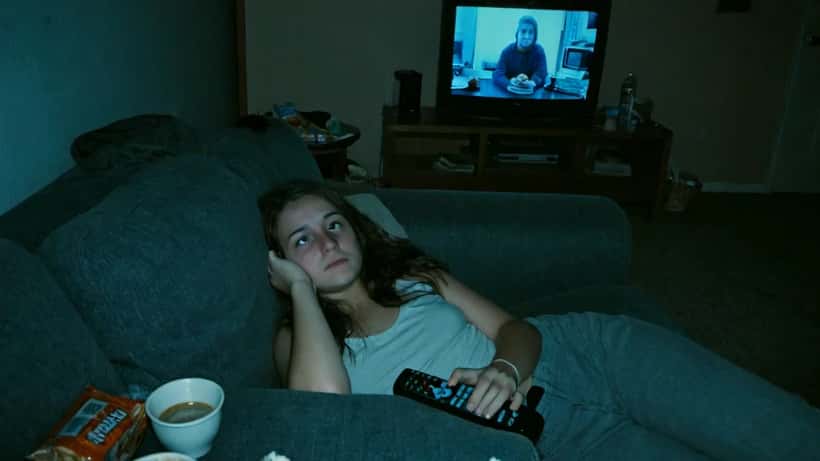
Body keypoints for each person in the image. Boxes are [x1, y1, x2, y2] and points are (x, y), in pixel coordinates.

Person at [258, 180, 820, 461]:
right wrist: (304, 294)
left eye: (335, 224)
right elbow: (322, 416)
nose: (327, 241)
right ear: (282, 263)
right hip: (547, 435)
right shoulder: (301, 339)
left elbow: (518, 330)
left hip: (592, 354)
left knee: (782, 431)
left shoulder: (411, 275)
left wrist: (503, 368)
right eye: (302, 239)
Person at [492, 16, 548, 92]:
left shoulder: (539, 51)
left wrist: (533, 82)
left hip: (531, 94)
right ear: (517, 33)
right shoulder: (507, 51)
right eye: (523, 31)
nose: (527, 36)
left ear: (535, 36)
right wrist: (509, 83)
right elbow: (498, 74)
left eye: (531, 32)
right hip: (510, 92)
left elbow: (542, 73)